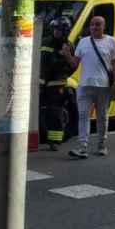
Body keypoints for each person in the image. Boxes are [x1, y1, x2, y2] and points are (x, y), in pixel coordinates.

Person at [62, 16, 115, 158]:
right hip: (84, 86)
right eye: (92, 24)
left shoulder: (112, 42)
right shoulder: (83, 42)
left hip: (103, 86)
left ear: (104, 27)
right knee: (83, 116)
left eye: (98, 24)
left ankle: (101, 145)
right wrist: (66, 55)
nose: (94, 27)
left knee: (102, 117)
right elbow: (74, 64)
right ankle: (82, 147)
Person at [39, 17, 74, 151]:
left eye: (59, 29)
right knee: (41, 112)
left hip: (57, 84)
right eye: (55, 29)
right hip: (41, 82)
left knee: (55, 112)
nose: (56, 32)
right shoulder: (45, 41)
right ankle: (40, 137)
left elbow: (72, 65)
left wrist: (63, 74)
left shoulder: (68, 46)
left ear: (65, 31)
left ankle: (54, 141)